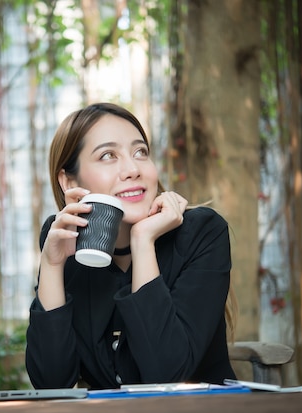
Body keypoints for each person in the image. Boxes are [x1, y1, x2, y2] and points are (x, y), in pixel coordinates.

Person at [25, 102, 237, 390]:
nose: (132, 169)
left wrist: (143, 240)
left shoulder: (202, 232)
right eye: (108, 155)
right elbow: (51, 384)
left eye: (140, 152)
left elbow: (167, 375)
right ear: (69, 180)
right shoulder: (64, 238)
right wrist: (51, 266)